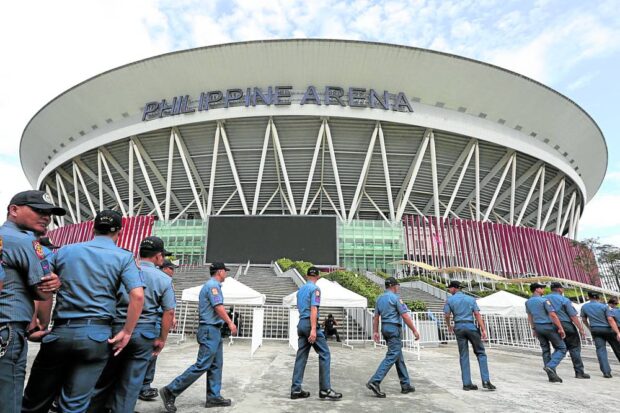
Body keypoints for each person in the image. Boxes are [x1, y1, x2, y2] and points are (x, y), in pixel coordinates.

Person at [22, 210, 145, 413]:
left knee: (34, 401)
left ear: (92, 227)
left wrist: (37, 323)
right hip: (96, 336)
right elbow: (138, 295)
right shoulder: (124, 257)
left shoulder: (64, 251)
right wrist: (127, 331)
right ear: (120, 232)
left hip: (60, 332)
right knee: (74, 404)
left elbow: (42, 283)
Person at [89, 236, 176, 412]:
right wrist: (162, 338)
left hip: (116, 328)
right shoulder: (163, 279)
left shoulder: (123, 272)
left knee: (105, 379)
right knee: (130, 384)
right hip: (144, 333)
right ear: (158, 256)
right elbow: (169, 312)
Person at [0, 190, 64, 413]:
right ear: (14, 210)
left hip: (8, 327)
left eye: (49, 213)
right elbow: (43, 291)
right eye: (38, 210)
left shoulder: (3, 237)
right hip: (8, 328)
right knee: (9, 398)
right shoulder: (24, 241)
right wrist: (53, 285)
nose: (46, 216)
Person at [159, 262, 237, 411]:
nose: (226, 274)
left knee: (216, 364)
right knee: (202, 364)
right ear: (219, 272)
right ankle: (170, 390)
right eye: (225, 271)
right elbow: (218, 307)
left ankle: (213, 396)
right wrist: (230, 322)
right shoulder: (213, 286)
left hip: (213, 329)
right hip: (209, 330)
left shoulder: (212, 285)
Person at [290, 266, 342, 401]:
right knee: (325, 354)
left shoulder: (300, 290)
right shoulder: (315, 289)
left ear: (307, 276)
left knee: (301, 356)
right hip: (310, 324)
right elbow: (313, 308)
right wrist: (313, 329)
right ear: (318, 277)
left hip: (301, 324)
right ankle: (325, 389)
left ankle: (295, 390)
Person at [366, 277, 419, 398]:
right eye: (397, 286)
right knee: (392, 355)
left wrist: (375, 331)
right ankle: (375, 381)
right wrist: (414, 330)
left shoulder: (379, 298)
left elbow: (376, 317)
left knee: (397, 356)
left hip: (385, 328)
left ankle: (405, 384)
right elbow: (405, 316)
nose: (398, 288)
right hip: (394, 328)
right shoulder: (396, 298)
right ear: (394, 286)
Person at [444, 280, 496, 391]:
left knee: (463, 355)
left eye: (450, 288)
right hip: (471, 327)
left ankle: (467, 383)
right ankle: (486, 381)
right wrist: (483, 329)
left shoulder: (450, 300)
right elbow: (477, 314)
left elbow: (447, 315)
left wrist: (449, 326)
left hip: (459, 327)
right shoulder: (471, 299)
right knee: (481, 353)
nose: (449, 290)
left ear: (454, 288)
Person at [139, 258, 179, 401]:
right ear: (164, 268)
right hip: (153, 322)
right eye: (171, 268)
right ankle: (143, 387)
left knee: (151, 357)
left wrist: (172, 317)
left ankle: (145, 385)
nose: (173, 271)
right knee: (149, 355)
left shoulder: (165, 281)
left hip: (155, 321)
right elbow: (165, 308)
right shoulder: (161, 279)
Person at [544, 282, 590, 379]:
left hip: (551, 326)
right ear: (560, 289)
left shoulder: (544, 299)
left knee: (559, 348)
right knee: (574, 348)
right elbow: (573, 315)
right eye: (562, 288)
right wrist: (580, 329)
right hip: (566, 325)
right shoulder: (563, 299)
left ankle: (551, 367)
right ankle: (579, 372)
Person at [525, 282, 567, 383]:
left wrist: (533, 328)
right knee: (562, 348)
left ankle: (551, 376)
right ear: (536, 289)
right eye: (541, 288)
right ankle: (550, 366)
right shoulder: (544, 300)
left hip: (538, 327)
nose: (543, 290)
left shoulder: (528, 302)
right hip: (548, 326)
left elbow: (530, 316)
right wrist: (560, 328)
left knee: (545, 349)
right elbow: (552, 315)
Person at [581, 291, 620, 378]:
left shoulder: (584, 307)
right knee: (617, 349)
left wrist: (590, 328)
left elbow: (584, 320)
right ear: (598, 297)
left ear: (589, 297)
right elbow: (610, 319)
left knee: (601, 350)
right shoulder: (604, 307)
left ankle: (606, 372)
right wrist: (617, 332)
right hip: (608, 330)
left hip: (595, 330)